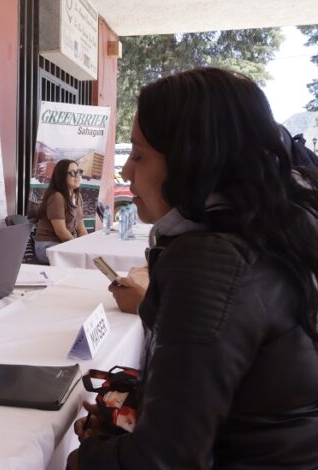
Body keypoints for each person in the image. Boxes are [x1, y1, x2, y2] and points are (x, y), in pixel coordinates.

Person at [69, 68, 318, 468]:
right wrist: (131, 415)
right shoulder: (276, 230)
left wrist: (86, 458)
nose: (127, 171)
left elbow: (166, 459)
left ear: (192, 158)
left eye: (139, 154)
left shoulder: (212, 261)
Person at [33, 159, 88, 264]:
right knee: (81, 261)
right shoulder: (57, 197)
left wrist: (87, 245)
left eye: (79, 172)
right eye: (73, 173)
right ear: (62, 176)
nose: (77, 176)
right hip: (48, 246)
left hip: (64, 244)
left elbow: (81, 228)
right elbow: (61, 232)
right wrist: (79, 249)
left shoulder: (77, 196)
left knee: (91, 258)